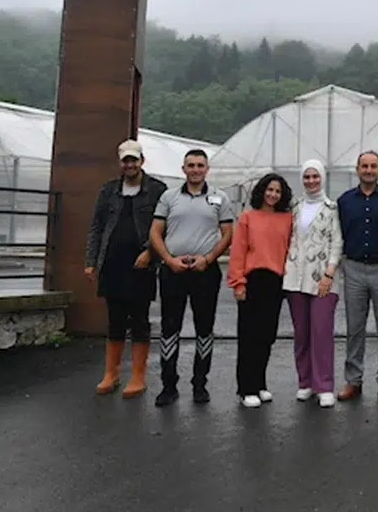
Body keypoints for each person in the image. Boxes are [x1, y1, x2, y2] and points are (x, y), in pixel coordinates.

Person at [148, 149, 235, 407]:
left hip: (205, 272)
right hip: (173, 270)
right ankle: (168, 385)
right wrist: (168, 259)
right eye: (191, 165)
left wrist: (207, 259)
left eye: (200, 165)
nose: (195, 169)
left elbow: (228, 234)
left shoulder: (220, 198)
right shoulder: (169, 197)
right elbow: (155, 231)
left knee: (204, 328)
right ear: (183, 169)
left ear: (207, 169)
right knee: (170, 327)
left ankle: (200, 384)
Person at [84, 139, 170, 399]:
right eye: (126, 160)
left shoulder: (157, 190)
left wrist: (150, 252)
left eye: (134, 160)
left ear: (142, 161)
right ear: (120, 163)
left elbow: (165, 227)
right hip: (112, 263)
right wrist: (91, 261)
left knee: (140, 320)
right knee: (115, 320)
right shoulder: (108, 190)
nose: (130, 165)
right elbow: (96, 227)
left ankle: (138, 376)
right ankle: (111, 374)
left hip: (141, 265)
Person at [335, 150, 378, 403]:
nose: (369, 170)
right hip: (352, 268)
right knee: (354, 328)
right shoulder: (344, 201)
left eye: (374, 166)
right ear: (357, 169)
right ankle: (353, 379)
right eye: (364, 166)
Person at [228, 172, 293, 408]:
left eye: (277, 191)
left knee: (267, 335)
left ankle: (260, 383)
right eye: (269, 189)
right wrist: (238, 283)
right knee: (248, 336)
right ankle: (246, 388)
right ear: (261, 191)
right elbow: (238, 252)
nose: (273, 194)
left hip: (276, 281)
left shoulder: (287, 218)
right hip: (252, 279)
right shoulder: (248, 217)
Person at [283, 159, 344, 409]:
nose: (311, 181)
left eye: (315, 176)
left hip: (322, 280)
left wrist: (329, 275)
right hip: (295, 277)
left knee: (321, 332)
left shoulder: (332, 208)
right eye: (307, 177)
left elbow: (337, 242)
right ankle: (305, 382)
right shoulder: (294, 207)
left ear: (322, 178)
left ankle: (324, 385)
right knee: (302, 334)